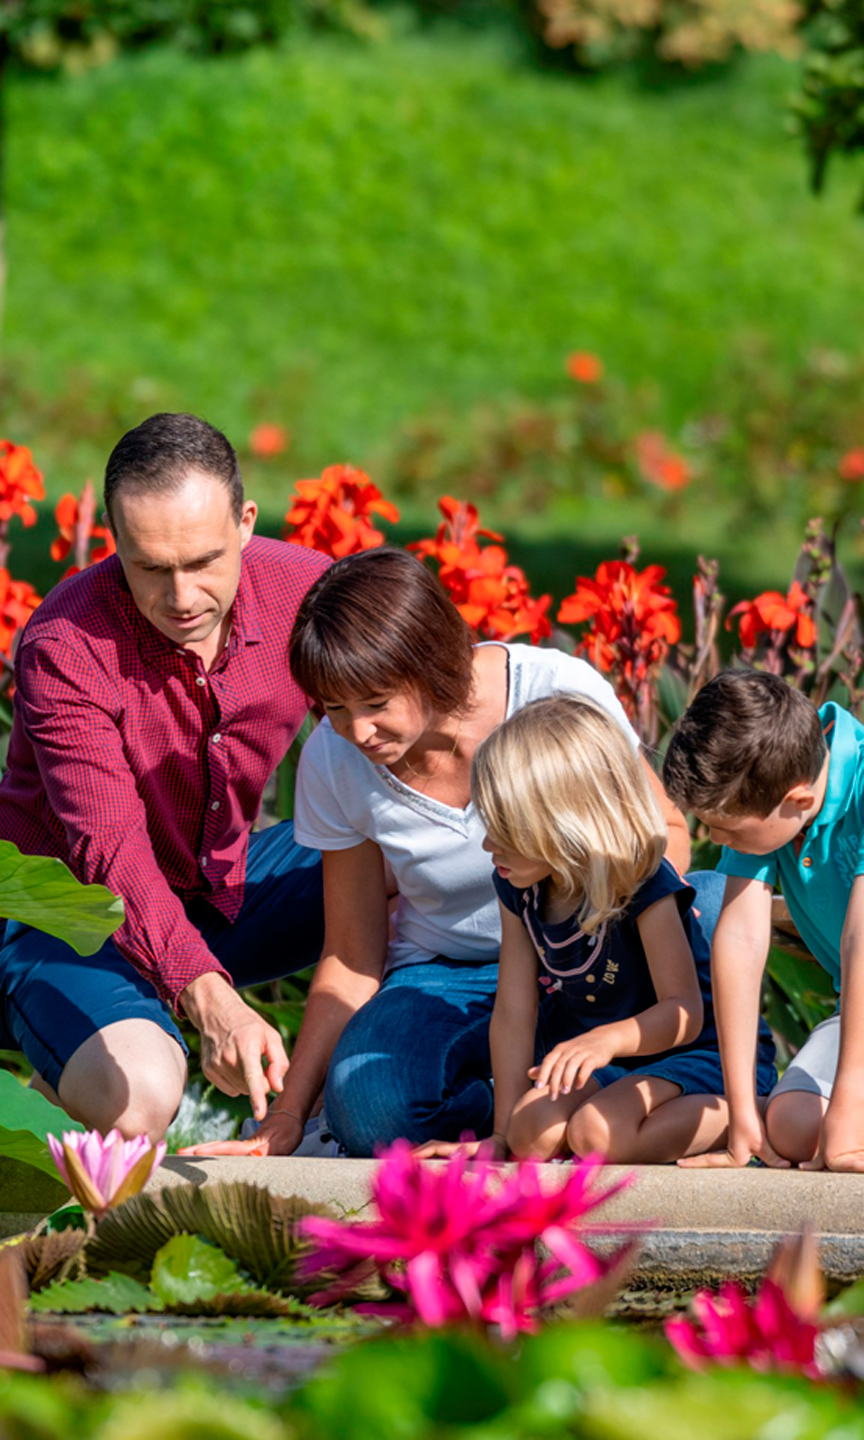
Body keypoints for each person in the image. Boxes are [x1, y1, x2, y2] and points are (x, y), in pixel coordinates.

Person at [184, 547, 694, 1159]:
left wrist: (591, 936)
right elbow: (351, 952)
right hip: (450, 971)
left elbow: (665, 832)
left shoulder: (553, 692)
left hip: (590, 951)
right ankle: (522, 1115)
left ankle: (607, 1094)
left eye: (375, 703)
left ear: (429, 661)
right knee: (369, 1108)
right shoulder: (336, 758)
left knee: (708, 906)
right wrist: (288, 1114)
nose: (356, 732)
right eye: (335, 708)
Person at [0, 413, 329, 1141]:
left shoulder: (307, 594)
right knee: (143, 1093)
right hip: (71, 917)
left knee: (420, 857)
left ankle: (386, 1082)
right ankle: (62, 1057)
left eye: (205, 561)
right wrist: (214, 1005)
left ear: (246, 522)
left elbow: (433, 701)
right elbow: (109, 855)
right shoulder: (67, 646)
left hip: (221, 889)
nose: (182, 596)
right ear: (115, 542)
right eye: (151, 567)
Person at [420, 694, 775, 1164]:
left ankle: (755, 1113)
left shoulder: (643, 885)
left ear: (567, 824)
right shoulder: (519, 889)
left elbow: (685, 1013)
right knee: (531, 1137)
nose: (489, 846)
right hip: (610, 1062)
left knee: (597, 1135)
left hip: (701, 1054)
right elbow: (513, 1012)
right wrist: (501, 1133)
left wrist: (608, 1040)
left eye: (506, 830)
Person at [662, 669, 864, 1172]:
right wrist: (743, 1111)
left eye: (727, 830)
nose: (716, 839)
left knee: (842, 1124)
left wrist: (849, 1103)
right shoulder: (777, 786)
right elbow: (739, 937)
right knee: (792, 1127)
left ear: (796, 800)